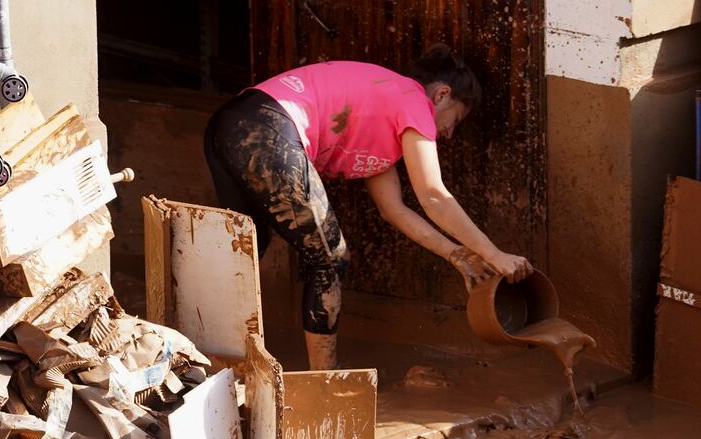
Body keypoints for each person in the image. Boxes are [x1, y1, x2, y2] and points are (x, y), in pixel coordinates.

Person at [203, 45, 533, 370]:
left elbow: (394, 210)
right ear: (442, 95)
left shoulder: (384, 119)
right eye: (455, 119)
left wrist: (457, 255)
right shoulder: (413, 98)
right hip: (268, 125)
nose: (447, 134)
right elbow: (433, 195)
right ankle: (325, 382)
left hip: (230, 125)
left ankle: (204, 356)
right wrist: (494, 255)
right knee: (330, 258)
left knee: (247, 247)